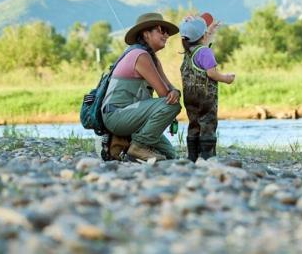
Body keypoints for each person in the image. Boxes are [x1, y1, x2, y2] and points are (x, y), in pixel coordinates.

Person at [101, 12, 182, 161]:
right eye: (160, 30)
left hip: (133, 116)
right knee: (171, 106)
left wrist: (176, 92)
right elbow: (164, 94)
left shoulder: (152, 58)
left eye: (166, 31)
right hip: (117, 116)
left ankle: (132, 151)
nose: (166, 35)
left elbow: (170, 87)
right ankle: (138, 147)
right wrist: (173, 94)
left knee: (170, 155)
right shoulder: (140, 55)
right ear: (146, 34)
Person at [179, 14, 236, 161]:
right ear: (203, 35)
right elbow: (212, 73)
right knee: (208, 124)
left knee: (194, 124)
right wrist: (226, 79)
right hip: (205, 98)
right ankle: (207, 157)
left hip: (190, 98)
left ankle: (193, 157)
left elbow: (201, 40)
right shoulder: (205, 52)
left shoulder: (188, 52)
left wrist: (208, 30)